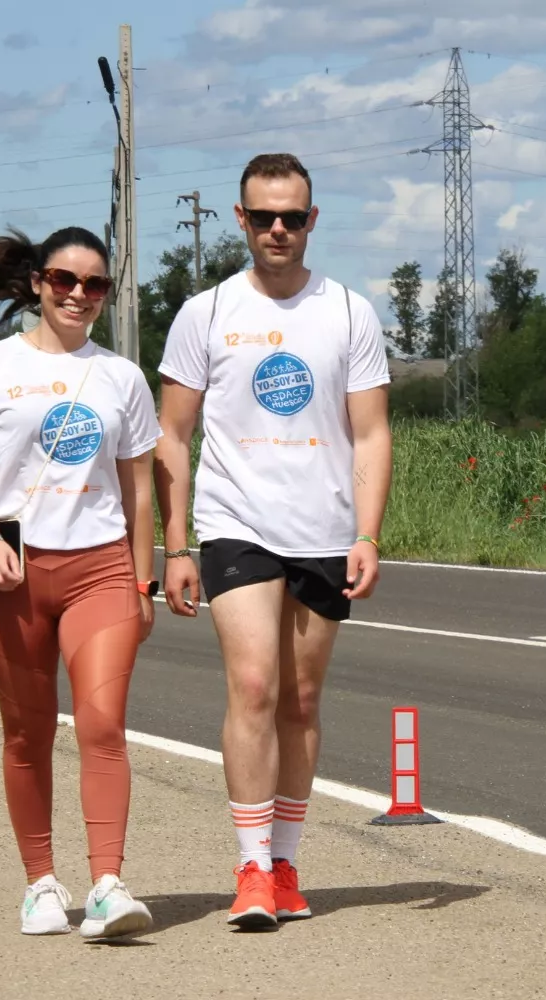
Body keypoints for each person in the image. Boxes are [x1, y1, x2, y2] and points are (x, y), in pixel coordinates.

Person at [155, 152, 392, 929]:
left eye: (292, 216)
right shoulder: (207, 312)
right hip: (236, 524)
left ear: (312, 220)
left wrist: (367, 532)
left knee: (301, 698)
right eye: (264, 217)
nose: (279, 230)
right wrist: (176, 543)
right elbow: (173, 435)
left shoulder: (350, 313)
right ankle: (252, 867)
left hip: (323, 528)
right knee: (254, 686)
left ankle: (287, 861)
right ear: (241, 220)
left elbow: (371, 434)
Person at [0, 226, 162, 940]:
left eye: (94, 285)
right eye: (66, 281)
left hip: (100, 568)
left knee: (103, 724)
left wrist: (143, 580)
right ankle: (41, 883)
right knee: (26, 731)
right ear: (39, 283)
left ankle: (107, 884)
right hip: (13, 572)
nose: (79, 295)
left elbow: (139, 489)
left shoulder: (122, 377)